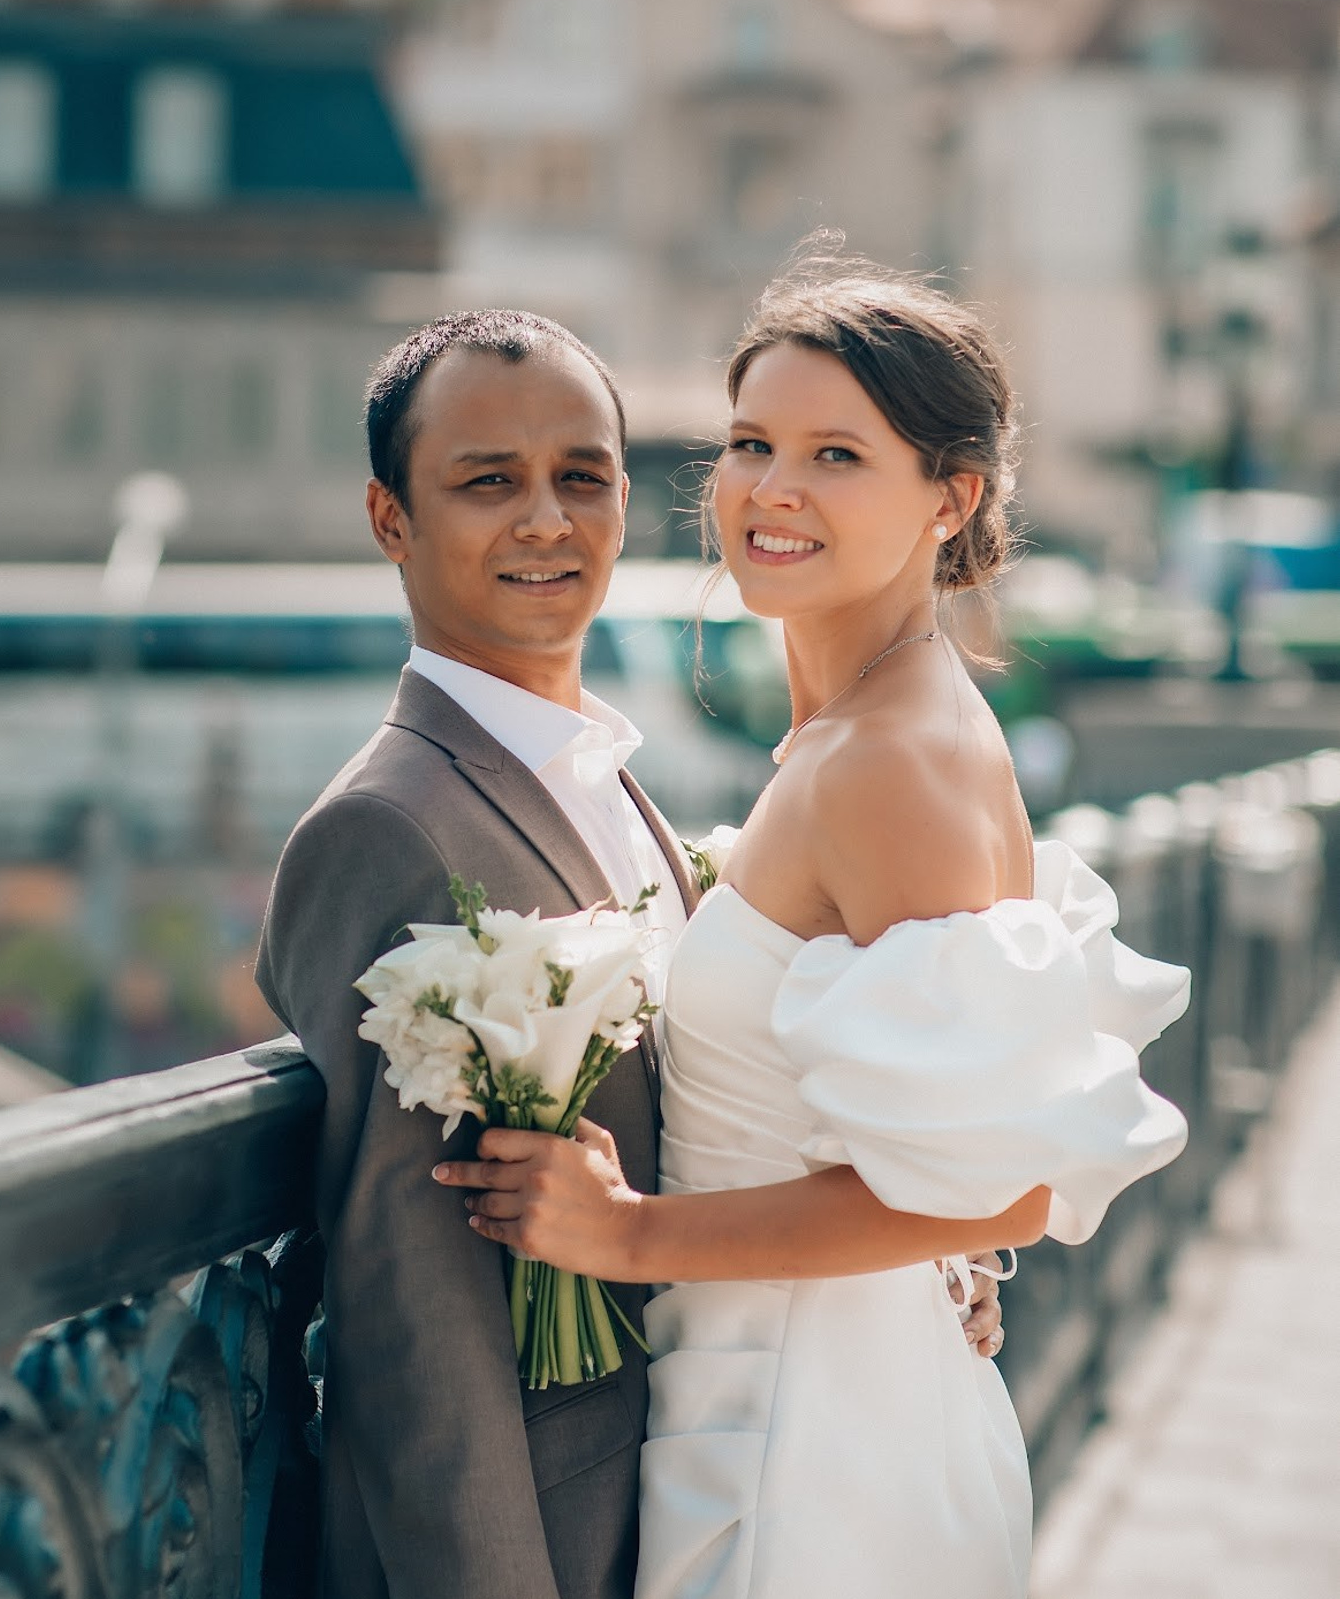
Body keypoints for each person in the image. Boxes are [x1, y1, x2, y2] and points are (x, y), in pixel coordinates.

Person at [436, 252, 1191, 1597]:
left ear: (947, 499)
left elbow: (1003, 1185)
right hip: (795, 1380)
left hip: (814, 1443)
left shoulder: (890, 761)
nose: (771, 490)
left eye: (837, 454)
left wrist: (625, 1238)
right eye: (750, 443)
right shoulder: (862, 731)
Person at [257, 307, 1004, 1599]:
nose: (546, 520)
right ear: (391, 520)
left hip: (743, 1471)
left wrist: (937, 1247)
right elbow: (407, 1323)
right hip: (563, 1535)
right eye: (488, 483)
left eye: (582, 478)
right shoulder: (385, 831)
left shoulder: (622, 782)